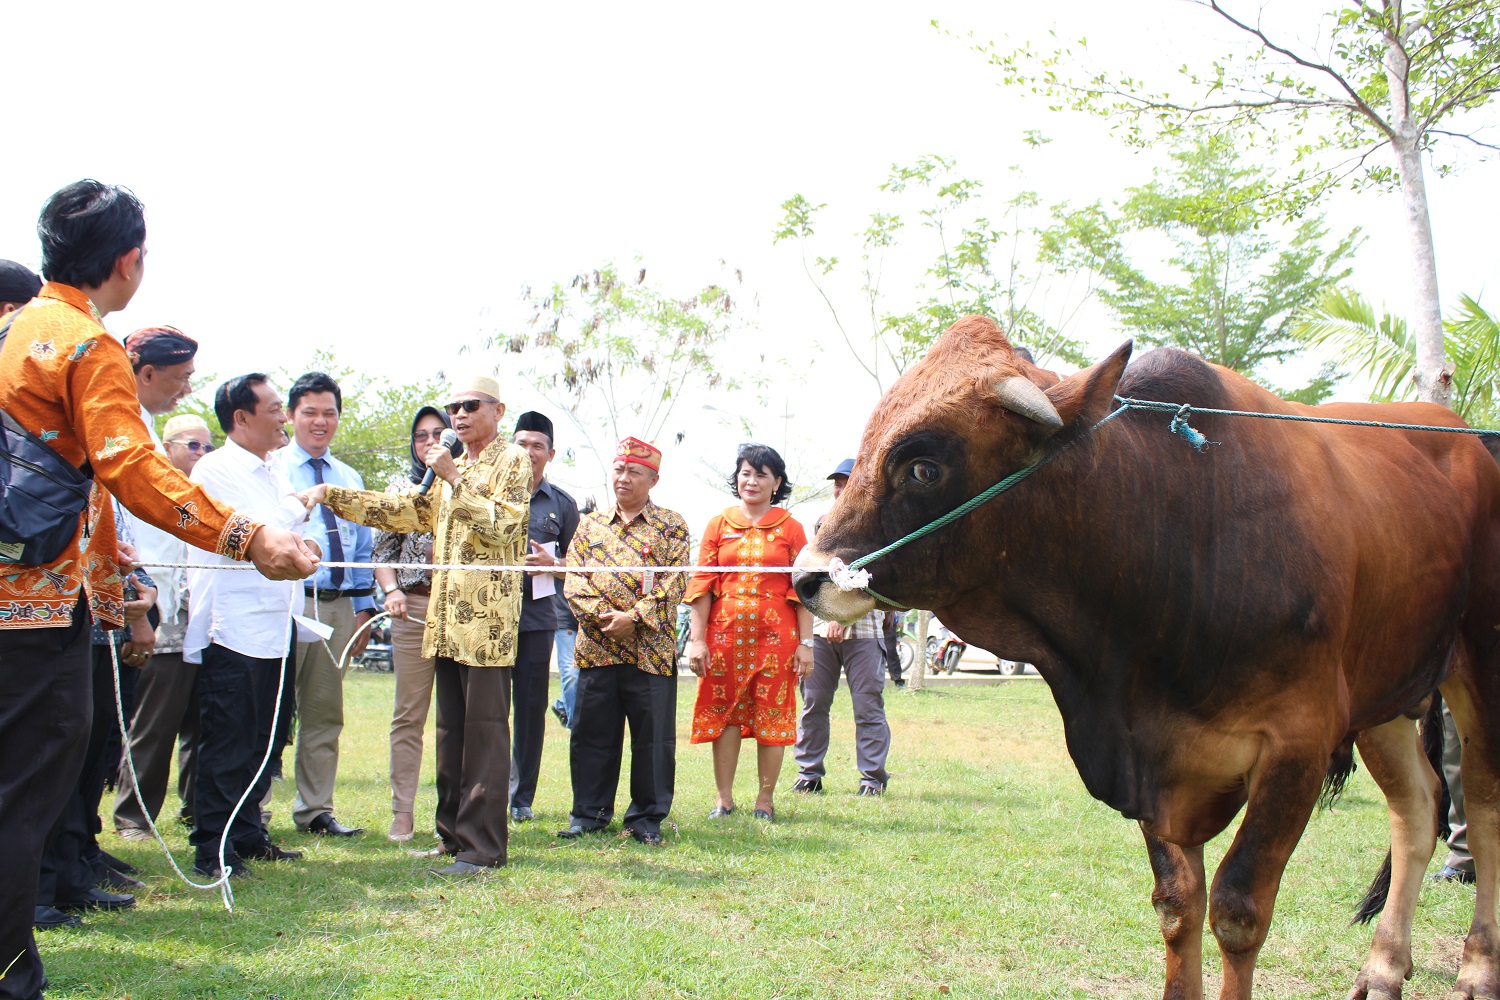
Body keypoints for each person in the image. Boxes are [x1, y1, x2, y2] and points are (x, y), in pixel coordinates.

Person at [0, 179, 315, 1000]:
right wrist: (247, 537)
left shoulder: (9, 329)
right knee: (23, 788)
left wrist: (112, 593)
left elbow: (88, 491)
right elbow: (131, 470)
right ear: (129, 261)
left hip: (41, 598)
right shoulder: (82, 344)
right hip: (28, 616)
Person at [302, 375, 531, 876]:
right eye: (454, 407)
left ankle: (484, 848)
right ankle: (452, 836)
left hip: (487, 625)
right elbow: (404, 513)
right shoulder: (456, 466)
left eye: (470, 405)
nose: (459, 415)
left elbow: (505, 526)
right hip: (445, 620)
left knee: (486, 733)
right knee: (450, 732)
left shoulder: (511, 459)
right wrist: (331, 494)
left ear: (498, 410)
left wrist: (452, 478)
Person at [184, 374, 318, 880]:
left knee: (268, 735)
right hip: (232, 625)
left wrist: (301, 533)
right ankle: (213, 845)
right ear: (241, 418)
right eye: (275, 409)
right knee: (229, 737)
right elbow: (265, 526)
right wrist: (297, 512)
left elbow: (289, 530)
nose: (284, 418)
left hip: (276, 620)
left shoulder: (271, 469)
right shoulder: (215, 468)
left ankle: (246, 832)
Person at [558, 438, 690, 844]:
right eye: (618, 469)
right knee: (592, 734)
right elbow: (574, 580)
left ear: (653, 479)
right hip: (597, 650)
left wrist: (633, 619)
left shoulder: (671, 525)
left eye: (634, 471)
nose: (623, 478)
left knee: (653, 740)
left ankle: (646, 819)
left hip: (650, 652)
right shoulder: (590, 525)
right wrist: (606, 619)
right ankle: (589, 814)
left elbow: (677, 580)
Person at [35, 500, 158, 929]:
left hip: (97, 630)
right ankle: (37, 888)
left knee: (88, 761)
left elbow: (120, 548)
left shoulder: (103, 485)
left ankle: (70, 871)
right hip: (46, 628)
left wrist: (142, 590)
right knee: (50, 762)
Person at [685, 444, 815, 823]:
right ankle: (723, 799)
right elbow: (702, 585)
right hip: (723, 638)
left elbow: (804, 590)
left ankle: (765, 800)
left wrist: (806, 645)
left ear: (776, 483)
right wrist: (697, 639)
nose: (751, 481)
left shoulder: (791, 528)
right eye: (745, 472)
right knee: (725, 714)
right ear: (736, 478)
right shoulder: (718, 525)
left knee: (771, 715)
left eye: (761, 474)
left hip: (777, 640)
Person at [114, 329, 208, 841]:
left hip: (173, 602)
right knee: (149, 719)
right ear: (147, 374)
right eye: (182, 378)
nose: (187, 389)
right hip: (139, 600)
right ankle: (132, 818)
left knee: (184, 715)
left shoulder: (143, 426)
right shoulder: (125, 430)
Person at [276, 371, 375, 838]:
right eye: (310, 412)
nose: (320, 422)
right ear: (290, 416)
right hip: (288, 602)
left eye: (329, 413)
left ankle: (315, 809)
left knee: (323, 712)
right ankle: (251, 812)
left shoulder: (349, 478)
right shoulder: (273, 469)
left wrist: (363, 608)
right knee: (270, 711)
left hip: (337, 608)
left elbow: (361, 550)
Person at [371, 404, 460, 843]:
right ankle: (402, 812)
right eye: (422, 435)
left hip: (462, 614)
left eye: (439, 435)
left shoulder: (468, 487)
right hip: (413, 612)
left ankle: (455, 814)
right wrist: (392, 591)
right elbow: (381, 555)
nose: (430, 442)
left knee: (457, 717)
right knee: (409, 715)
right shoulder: (400, 489)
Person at [790, 459, 892, 796]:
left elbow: (878, 585)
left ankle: (872, 779)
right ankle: (808, 774)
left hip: (864, 631)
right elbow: (813, 578)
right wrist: (829, 620)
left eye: (846, 483)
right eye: (836, 483)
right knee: (813, 704)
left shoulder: (880, 526)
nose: (839, 490)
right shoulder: (821, 525)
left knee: (867, 705)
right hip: (821, 631)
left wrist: (844, 619)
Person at [509, 411, 579, 823]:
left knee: (530, 709)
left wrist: (551, 562)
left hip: (539, 618)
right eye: (522, 444)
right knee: (488, 709)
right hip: (489, 620)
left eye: (538, 446)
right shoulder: (490, 494)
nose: (529, 452)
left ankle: (521, 798)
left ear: (550, 454)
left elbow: (583, 563)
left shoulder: (562, 505)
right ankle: (487, 788)